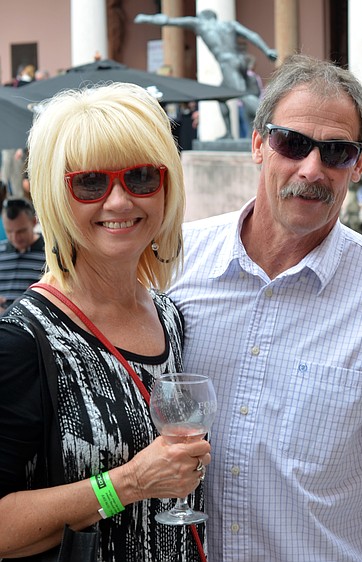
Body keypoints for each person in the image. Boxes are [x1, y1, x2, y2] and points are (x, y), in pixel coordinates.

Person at [168, 54, 362, 562]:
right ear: (258, 144)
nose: (311, 168)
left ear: (359, 164)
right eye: (292, 143)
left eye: (337, 152)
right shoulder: (174, 266)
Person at [0, 83, 207, 561]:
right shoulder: (25, 339)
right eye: (90, 183)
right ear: (55, 194)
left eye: (139, 177)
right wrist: (128, 484)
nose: (118, 202)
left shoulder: (170, 317)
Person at [135, 9, 278, 139]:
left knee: (243, 95)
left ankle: (270, 119)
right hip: (240, 60)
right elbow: (252, 35)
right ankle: (229, 134)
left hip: (227, 63)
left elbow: (168, 21)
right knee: (221, 97)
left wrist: (145, 18)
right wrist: (267, 50)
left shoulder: (200, 23)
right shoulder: (229, 25)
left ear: (203, 16)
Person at [0, 197, 45, 311]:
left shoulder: (50, 253)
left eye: (21, 231)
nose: (15, 238)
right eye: (9, 231)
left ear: (34, 222)